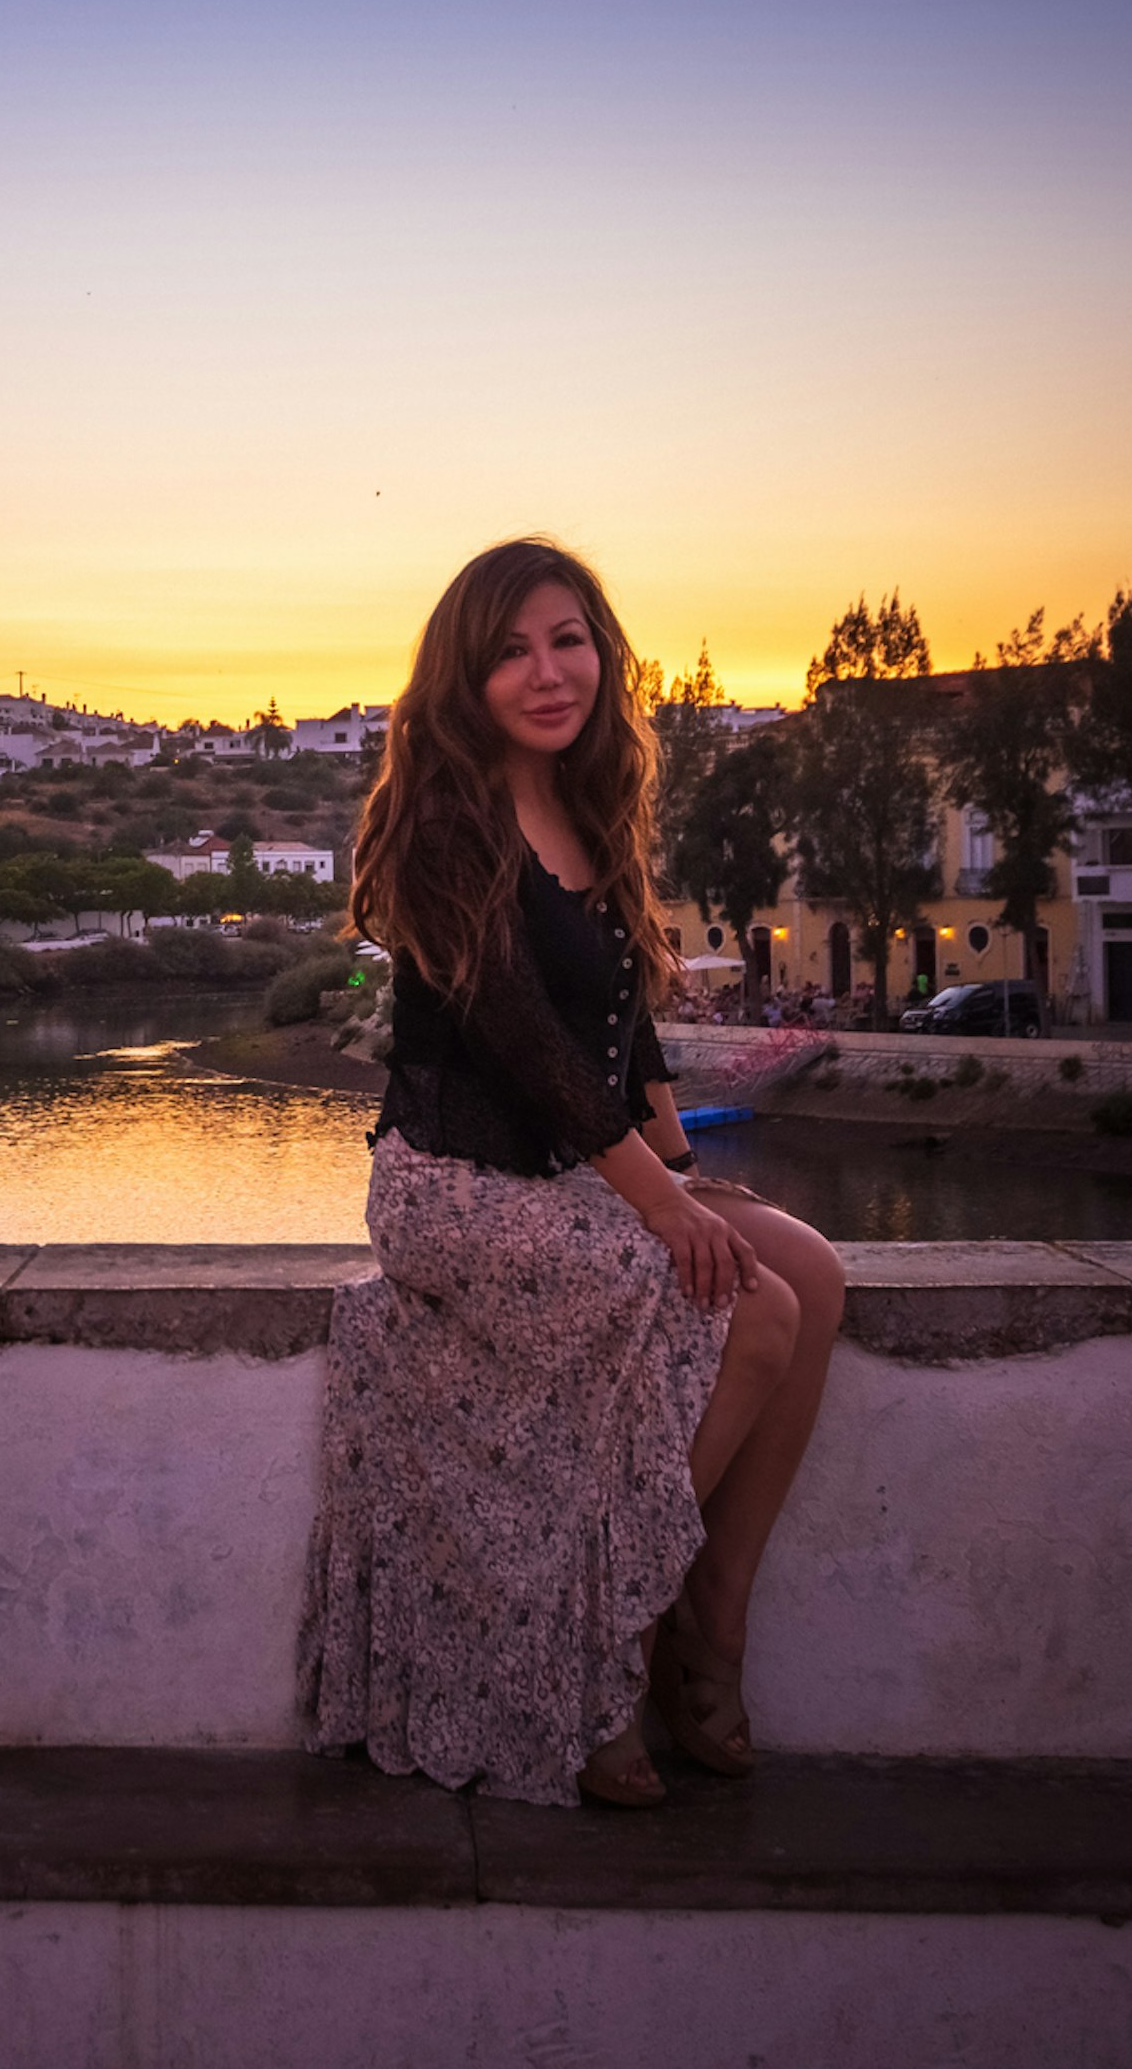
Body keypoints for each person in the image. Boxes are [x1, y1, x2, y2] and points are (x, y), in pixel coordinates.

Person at [300, 538, 846, 1809]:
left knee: (812, 1269)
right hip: (448, 1186)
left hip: (566, 1172)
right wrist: (658, 1207)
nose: (547, 673)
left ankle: (715, 1618)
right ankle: (609, 1657)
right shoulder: (446, 817)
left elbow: (625, 1028)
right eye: (510, 651)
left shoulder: (592, 807)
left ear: (603, 649)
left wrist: (678, 1170)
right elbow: (517, 1032)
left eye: (568, 639)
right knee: (752, 1307)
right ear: (464, 677)